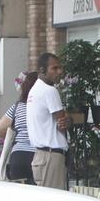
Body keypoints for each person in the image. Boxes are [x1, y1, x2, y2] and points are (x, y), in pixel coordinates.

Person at [27, 53, 70, 189]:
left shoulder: (34, 89)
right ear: (42, 70)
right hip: (51, 156)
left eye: (60, 68)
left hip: (41, 156)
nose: (60, 72)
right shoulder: (49, 91)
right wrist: (70, 120)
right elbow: (62, 123)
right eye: (54, 68)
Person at [0, 72, 39, 184]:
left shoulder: (18, 106)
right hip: (39, 156)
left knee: (20, 196)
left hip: (18, 156)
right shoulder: (46, 107)